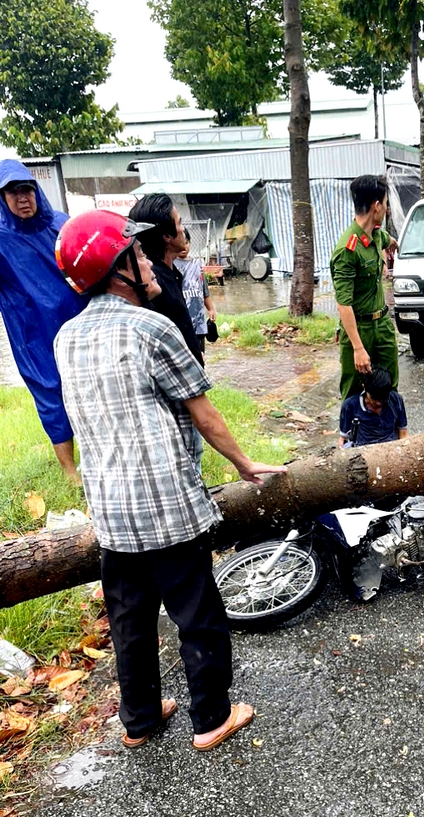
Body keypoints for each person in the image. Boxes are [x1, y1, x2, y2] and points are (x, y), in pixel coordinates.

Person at [53, 210, 287, 751]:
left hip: (111, 507)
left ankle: (139, 719)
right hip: (165, 504)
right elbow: (203, 413)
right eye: (137, 255)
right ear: (118, 271)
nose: (150, 261)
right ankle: (211, 719)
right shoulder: (152, 327)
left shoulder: (66, 337)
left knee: (129, 618)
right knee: (197, 613)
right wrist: (244, 463)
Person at [0, 160, 84, 483]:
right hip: (32, 331)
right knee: (50, 393)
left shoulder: (62, 225)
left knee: (87, 385)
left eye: (27, 190)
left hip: (75, 321)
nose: (22, 199)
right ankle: (69, 471)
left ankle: (97, 450)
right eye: (13, 193)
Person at [331, 175, 399, 400]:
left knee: (390, 388)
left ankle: (395, 435)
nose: (387, 209)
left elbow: (387, 239)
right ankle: (351, 436)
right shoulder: (347, 250)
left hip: (383, 325)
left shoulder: (377, 235)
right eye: (386, 204)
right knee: (354, 393)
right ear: (376, 206)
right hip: (359, 330)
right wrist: (358, 349)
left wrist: (395, 245)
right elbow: (344, 305)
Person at [129, 193, 203, 365]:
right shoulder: (153, 282)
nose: (183, 229)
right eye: (179, 223)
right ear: (167, 236)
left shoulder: (172, 273)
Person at [338, 366, 408, 447]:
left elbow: (403, 433)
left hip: (392, 448)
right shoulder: (350, 406)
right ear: (364, 388)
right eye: (374, 398)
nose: (378, 403)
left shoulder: (396, 400)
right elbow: (343, 439)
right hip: (363, 451)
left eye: (383, 399)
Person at [176, 229, 215, 356]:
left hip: (199, 321)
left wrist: (211, 309)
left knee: (200, 354)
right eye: (181, 242)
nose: (184, 246)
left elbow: (204, 291)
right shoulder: (171, 265)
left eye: (186, 242)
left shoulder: (197, 264)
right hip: (182, 321)